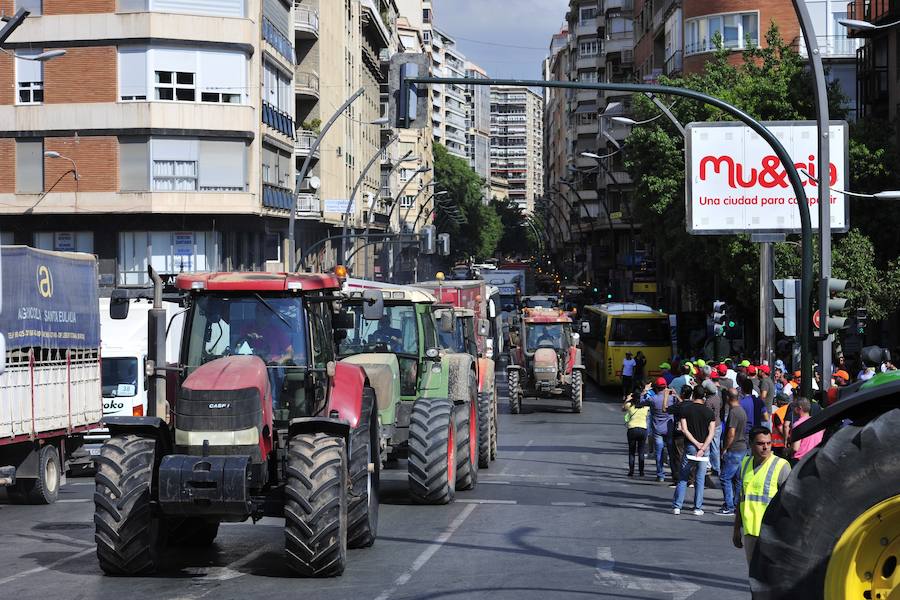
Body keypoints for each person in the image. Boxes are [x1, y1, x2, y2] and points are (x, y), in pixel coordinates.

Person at [733, 427, 791, 565]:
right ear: (751, 444)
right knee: (754, 577)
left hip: (772, 534)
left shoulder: (781, 466)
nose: (765, 447)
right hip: (750, 533)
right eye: (760, 444)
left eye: (768, 443)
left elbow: (791, 504)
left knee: (770, 578)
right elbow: (742, 499)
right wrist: (736, 529)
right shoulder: (745, 464)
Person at [672, 385, 716, 516]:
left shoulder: (686, 409)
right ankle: (697, 507)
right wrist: (702, 447)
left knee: (683, 477)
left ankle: (677, 506)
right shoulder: (709, 412)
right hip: (704, 448)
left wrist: (696, 443)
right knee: (700, 478)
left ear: (693, 395)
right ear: (704, 396)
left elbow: (684, 429)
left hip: (691, 446)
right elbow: (712, 432)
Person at [717, 388, 748, 516]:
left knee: (725, 478)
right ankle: (735, 504)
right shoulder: (741, 411)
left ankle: (729, 506)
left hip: (734, 448)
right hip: (742, 447)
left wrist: (724, 448)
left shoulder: (734, 412)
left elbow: (731, 433)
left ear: (728, 398)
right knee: (738, 479)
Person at [647, 377, 675, 482]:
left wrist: (645, 390)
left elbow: (640, 402)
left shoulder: (653, 399)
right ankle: (673, 473)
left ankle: (660, 475)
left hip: (657, 429)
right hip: (669, 428)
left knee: (659, 453)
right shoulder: (672, 398)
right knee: (671, 452)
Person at [668, 384, 693, 488]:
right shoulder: (692, 405)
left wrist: (666, 396)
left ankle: (678, 479)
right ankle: (691, 480)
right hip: (691, 433)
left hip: (679, 434)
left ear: (682, 393)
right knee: (690, 456)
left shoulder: (679, 406)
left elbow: (666, 409)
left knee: (678, 457)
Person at [622, 390, 650, 477]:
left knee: (632, 452)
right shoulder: (645, 407)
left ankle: (631, 471)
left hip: (632, 429)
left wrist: (628, 399)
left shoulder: (630, 406)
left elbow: (622, 408)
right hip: (643, 429)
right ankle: (641, 472)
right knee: (641, 452)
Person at [789, 397, 824, 464]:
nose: (793, 409)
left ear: (799, 408)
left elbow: (795, 448)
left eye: (794, 407)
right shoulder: (817, 422)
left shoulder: (797, 425)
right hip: (815, 459)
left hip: (800, 461)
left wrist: (787, 450)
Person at [770, 394, 791, 458]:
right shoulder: (792, 409)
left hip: (779, 444)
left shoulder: (778, 413)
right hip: (790, 442)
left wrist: (787, 439)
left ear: (779, 402)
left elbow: (780, 429)